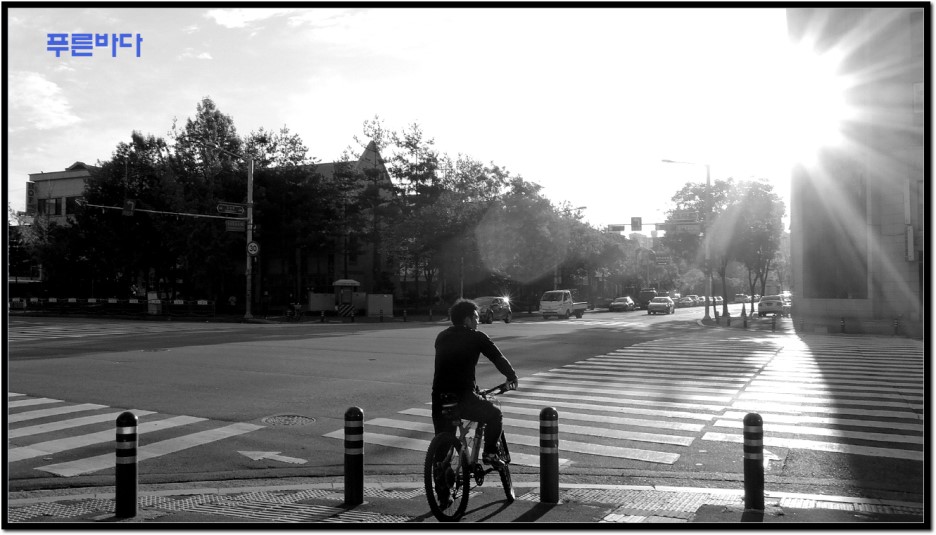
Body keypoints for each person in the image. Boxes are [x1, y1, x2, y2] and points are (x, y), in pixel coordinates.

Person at [432, 298, 518, 466]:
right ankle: (490, 453)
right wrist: (511, 376)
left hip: (439, 398)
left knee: (442, 447)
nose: (478, 322)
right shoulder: (477, 337)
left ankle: (440, 475)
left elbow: (452, 367)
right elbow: (497, 358)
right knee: (495, 415)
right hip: (463, 397)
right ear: (467, 319)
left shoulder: (441, 336)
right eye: (476, 317)